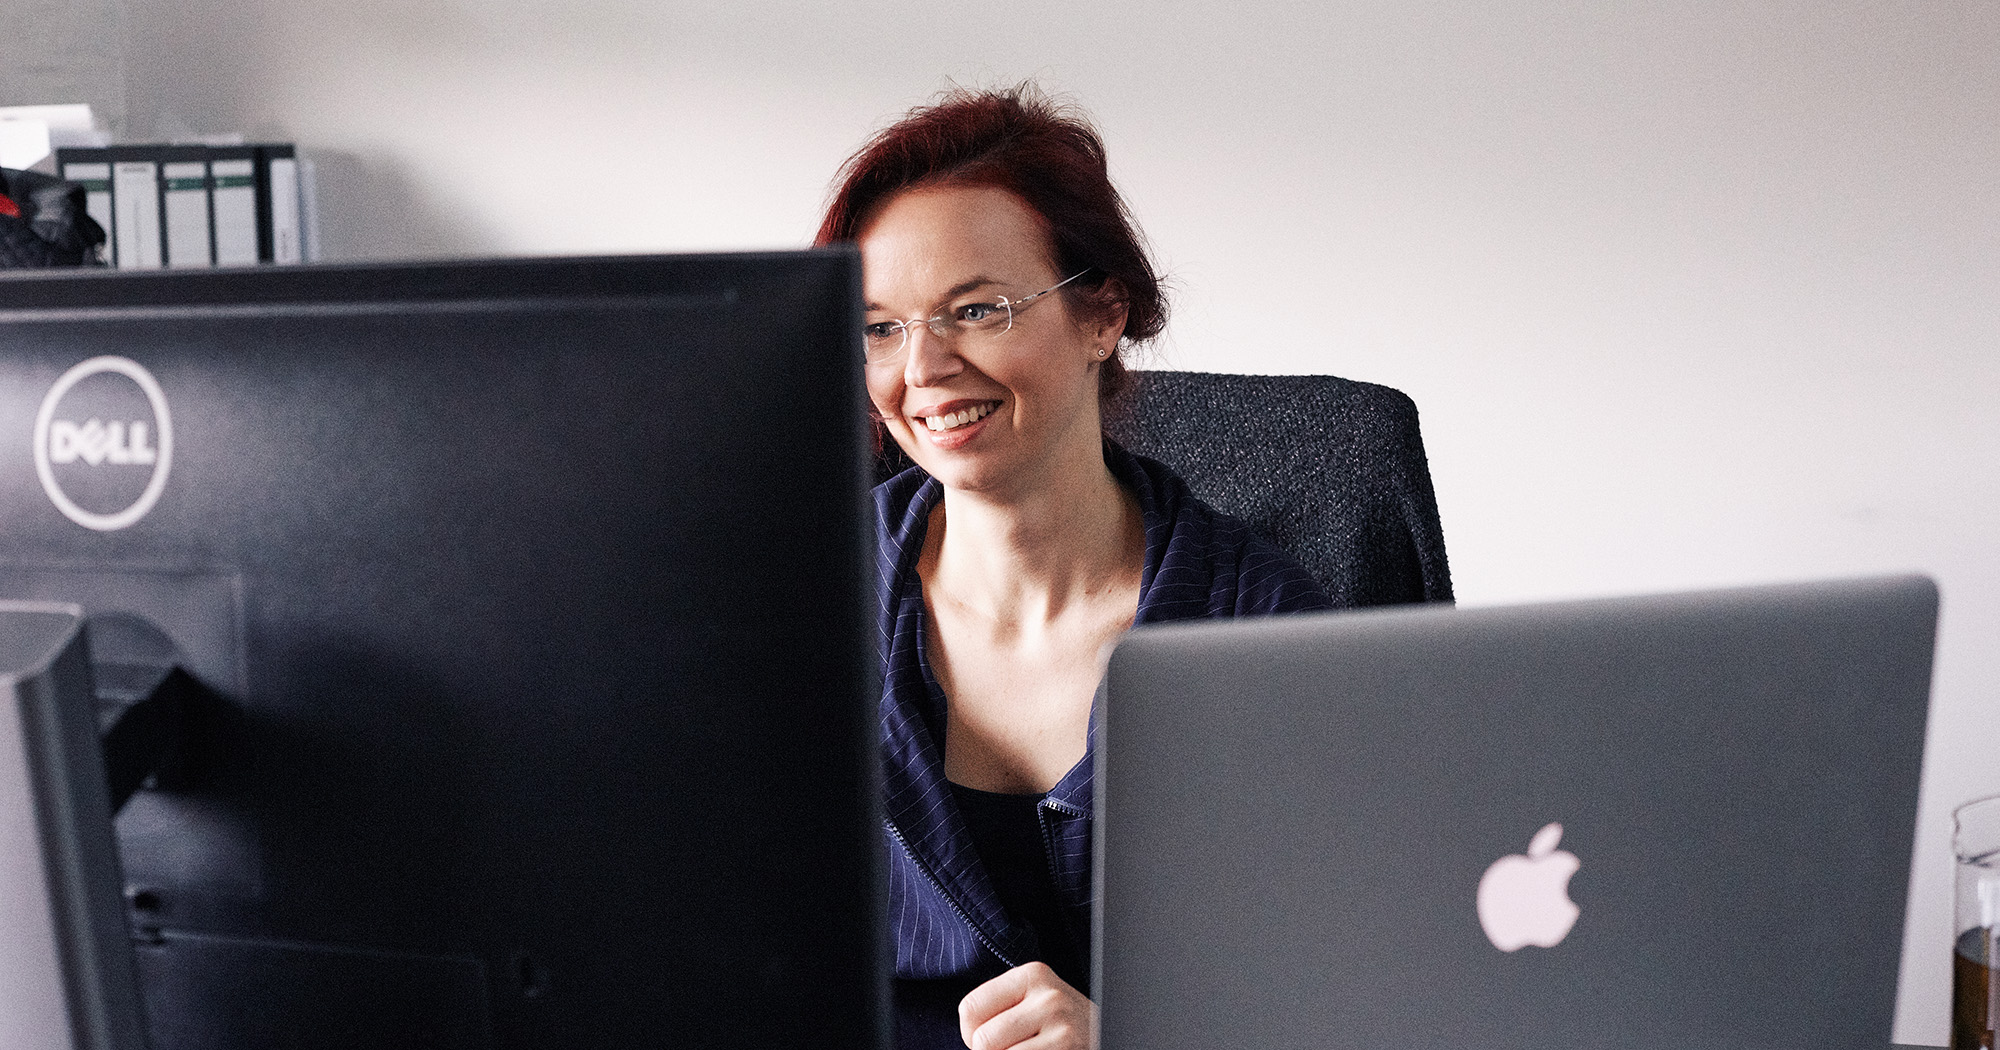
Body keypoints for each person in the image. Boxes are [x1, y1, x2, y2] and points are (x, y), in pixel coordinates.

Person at [816, 86, 1335, 1050]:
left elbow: (1350, 993)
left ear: (1103, 314)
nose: (921, 369)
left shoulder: (1272, 638)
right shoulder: (798, 603)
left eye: (976, 309)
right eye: (879, 326)